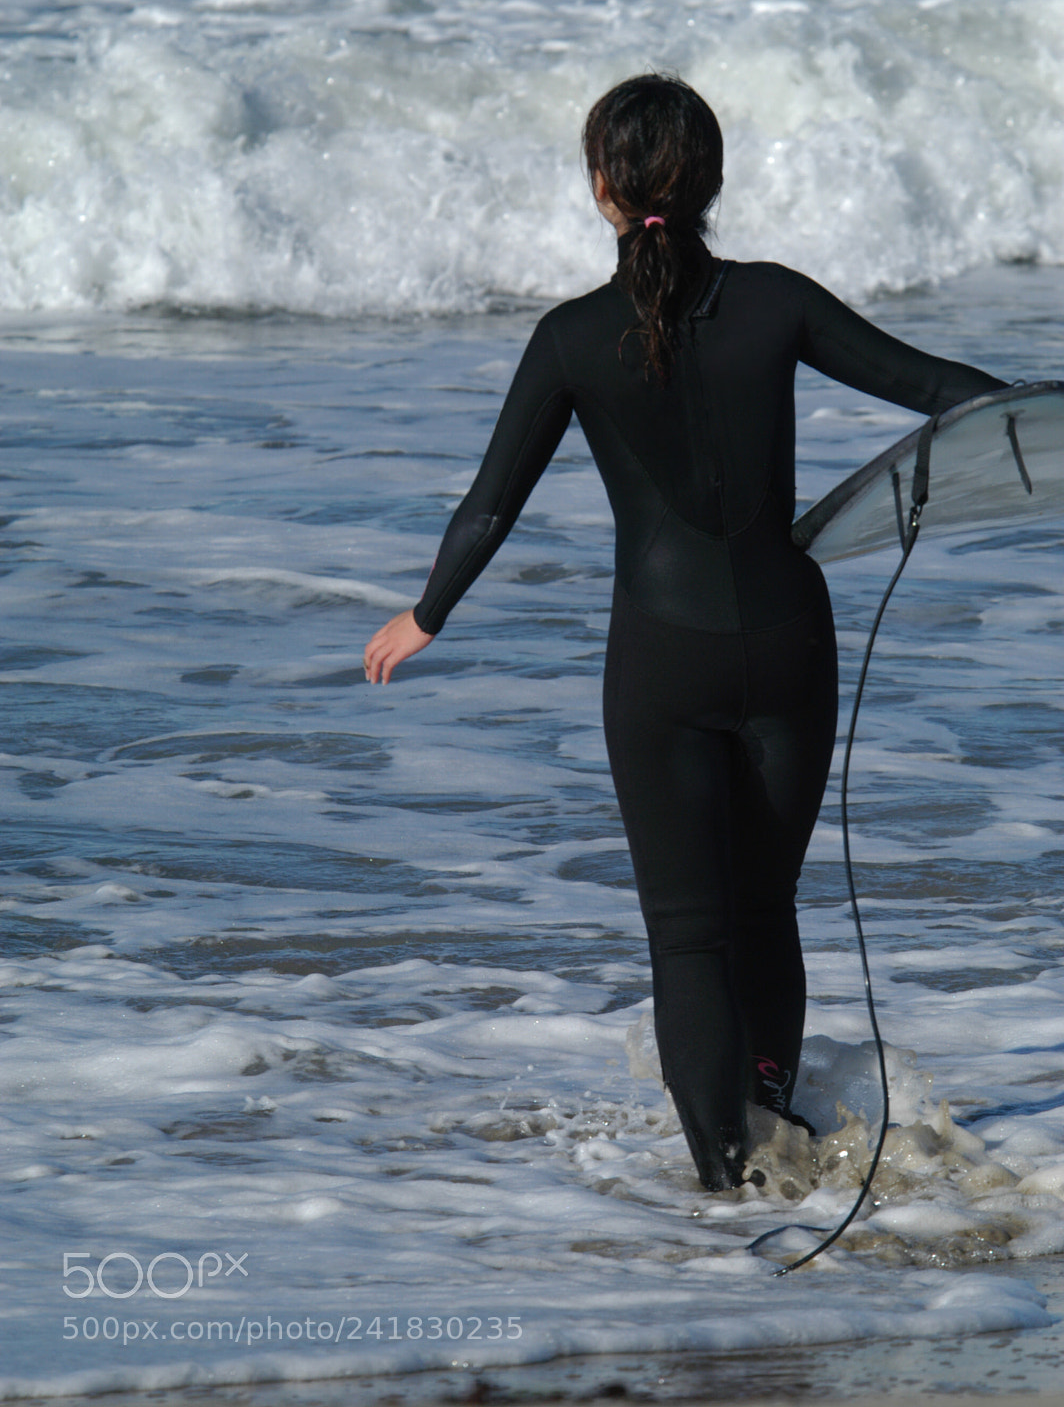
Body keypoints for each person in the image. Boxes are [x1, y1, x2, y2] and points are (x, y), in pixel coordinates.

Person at [363, 74, 1006, 1191]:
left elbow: (489, 502)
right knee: (767, 905)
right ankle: (773, 1122)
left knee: (688, 933)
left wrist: (427, 613)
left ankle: (723, 1186)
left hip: (661, 657)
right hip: (789, 637)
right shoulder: (776, 302)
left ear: (601, 190)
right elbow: (940, 390)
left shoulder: (571, 337)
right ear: (708, 183)